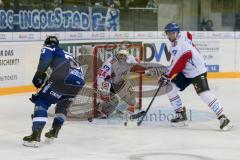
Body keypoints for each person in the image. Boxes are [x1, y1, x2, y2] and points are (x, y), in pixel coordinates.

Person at [163, 22, 232, 130]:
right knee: (170, 88)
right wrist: (168, 74)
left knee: (204, 94)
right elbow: (177, 59)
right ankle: (181, 115)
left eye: (170, 33)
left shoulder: (181, 44)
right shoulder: (177, 42)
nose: (168, 36)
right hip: (186, 71)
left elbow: (181, 60)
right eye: (167, 33)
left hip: (197, 71)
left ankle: (223, 117)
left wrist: (167, 75)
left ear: (176, 33)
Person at [23, 36, 85, 147]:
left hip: (63, 76)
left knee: (42, 102)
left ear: (47, 43)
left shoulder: (50, 48)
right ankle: (53, 132)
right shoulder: (68, 54)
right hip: (79, 81)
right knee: (62, 106)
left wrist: (38, 75)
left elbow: (45, 60)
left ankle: (35, 136)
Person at [96, 47, 168, 118]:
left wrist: (159, 71)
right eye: (120, 55)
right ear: (117, 54)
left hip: (119, 82)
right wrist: (104, 94)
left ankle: (120, 111)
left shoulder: (130, 59)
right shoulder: (109, 63)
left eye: (124, 55)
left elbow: (144, 65)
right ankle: (102, 110)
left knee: (131, 97)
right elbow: (100, 77)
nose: (122, 57)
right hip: (107, 84)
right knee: (114, 100)